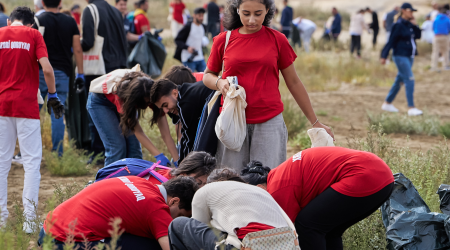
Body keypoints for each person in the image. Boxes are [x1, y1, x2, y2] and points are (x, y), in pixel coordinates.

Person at [203, 0, 333, 171]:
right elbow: (207, 76)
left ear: (268, 11)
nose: (251, 20)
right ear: (237, 11)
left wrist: (315, 122)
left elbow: (293, 82)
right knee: (232, 181)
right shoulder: (224, 40)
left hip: (269, 123)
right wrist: (219, 82)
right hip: (232, 121)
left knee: (267, 182)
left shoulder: (277, 40)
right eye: (246, 13)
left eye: (258, 13)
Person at [240, 147, 394, 250]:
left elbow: (282, 235)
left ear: (259, 188)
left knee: (307, 226)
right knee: (328, 231)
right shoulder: (279, 174)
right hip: (382, 177)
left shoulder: (277, 189)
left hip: (365, 177)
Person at [0, 6, 64, 232]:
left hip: (1, 105)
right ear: (30, 23)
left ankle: (1, 219)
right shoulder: (34, 35)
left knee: (1, 162)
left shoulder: (0, 33)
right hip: (26, 106)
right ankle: (29, 221)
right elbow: (47, 69)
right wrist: (53, 95)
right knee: (31, 163)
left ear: (10, 21)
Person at [38, 176, 198, 250]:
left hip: (49, 228)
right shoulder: (157, 208)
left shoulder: (140, 181)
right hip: (62, 242)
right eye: (180, 217)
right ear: (174, 201)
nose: (175, 222)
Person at [168, 170, 292, 250]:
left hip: (246, 247)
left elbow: (196, 234)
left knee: (178, 225)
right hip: (287, 245)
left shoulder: (205, 191)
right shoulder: (261, 192)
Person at [87, 72, 179, 167]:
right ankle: (108, 179)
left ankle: (133, 180)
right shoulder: (127, 99)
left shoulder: (151, 91)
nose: (149, 104)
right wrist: (158, 155)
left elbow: (166, 134)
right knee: (117, 146)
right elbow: (138, 131)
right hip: (100, 102)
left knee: (134, 149)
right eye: (147, 103)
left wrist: (177, 162)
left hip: (126, 99)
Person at [32, 0, 84, 156]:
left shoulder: (38, 20)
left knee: (33, 113)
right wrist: (80, 73)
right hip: (62, 72)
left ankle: (28, 151)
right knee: (58, 113)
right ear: (60, 2)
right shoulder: (70, 21)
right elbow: (77, 49)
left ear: (42, 3)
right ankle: (58, 153)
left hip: (40, 71)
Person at [81, 0, 128, 163]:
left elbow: (87, 42)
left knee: (97, 110)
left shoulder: (90, 10)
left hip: (99, 69)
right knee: (118, 112)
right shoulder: (115, 11)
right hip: (118, 69)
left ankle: (99, 152)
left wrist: (74, 44)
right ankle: (122, 153)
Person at [150, 77, 214, 163]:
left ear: (175, 93)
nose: (165, 111)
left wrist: (182, 166)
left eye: (165, 105)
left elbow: (189, 140)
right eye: (162, 108)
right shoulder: (186, 90)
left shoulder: (185, 103)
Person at [380, 2, 423, 116]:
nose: (412, 13)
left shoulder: (409, 24)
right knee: (409, 79)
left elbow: (418, 36)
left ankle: (387, 103)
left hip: (410, 55)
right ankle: (411, 108)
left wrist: (415, 24)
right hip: (400, 55)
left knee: (400, 80)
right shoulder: (398, 25)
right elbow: (391, 41)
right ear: (403, 10)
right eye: (410, 11)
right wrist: (383, 55)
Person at [147, 151, 216, 187]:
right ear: (183, 173)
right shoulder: (165, 190)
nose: (201, 188)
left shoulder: (171, 173)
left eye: (206, 184)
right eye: (198, 183)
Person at [174, 8, 208, 72]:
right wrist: (187, 48)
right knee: (189, 80)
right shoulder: (188, 27)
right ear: (194, 15)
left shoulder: (203, 27)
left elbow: (200, 42)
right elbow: (177, 40)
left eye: (202, 16)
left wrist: (203, 54)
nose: (201, 18)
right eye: (200, 16)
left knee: (205, 77)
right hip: (188, 58)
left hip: (200, 57)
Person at [431, 7, 450, 71]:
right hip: (445, 36)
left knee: (435, 52)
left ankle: (434, 67)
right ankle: (445, 66)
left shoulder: (436, 19)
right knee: (445, 51)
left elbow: (433, 27)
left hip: (437, 36)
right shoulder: (447, 19)